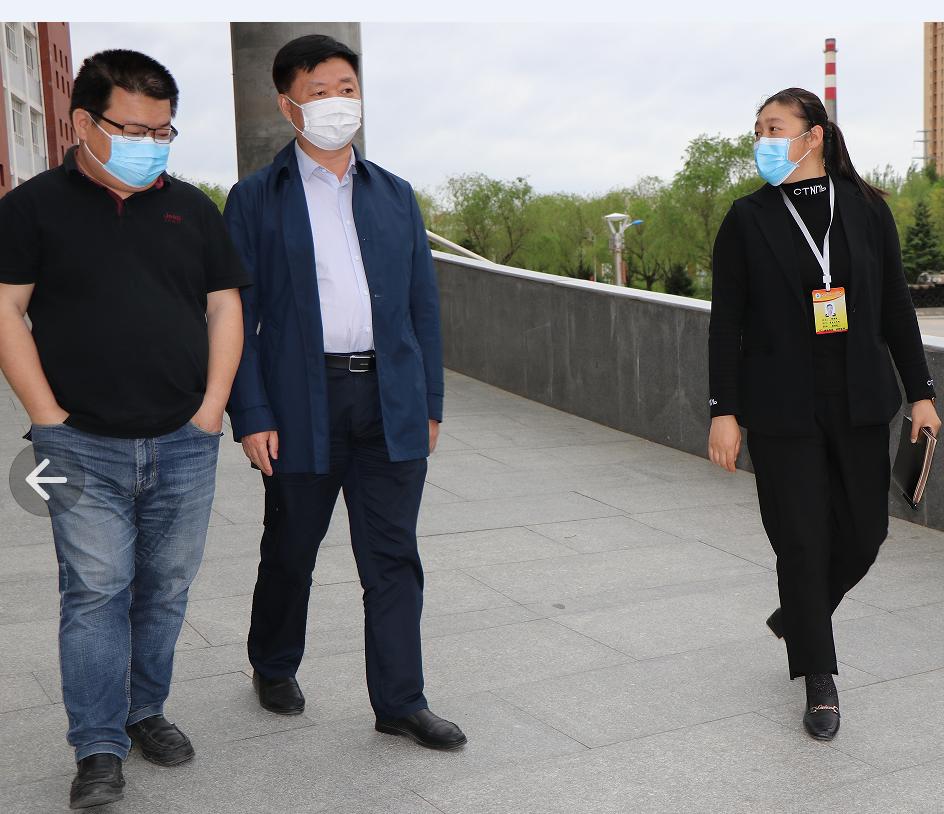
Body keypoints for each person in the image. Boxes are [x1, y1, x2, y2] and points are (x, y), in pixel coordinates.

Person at [0, 50, 249, 808]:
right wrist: (47, 419)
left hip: (184, 441)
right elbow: (6, 307)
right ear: (83, 122)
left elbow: (225, 306)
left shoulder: (192, 208)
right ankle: (98, 745)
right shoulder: (33, 207)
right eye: (134, 129)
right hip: (78, 443)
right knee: (95, 591)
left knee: (165, 589)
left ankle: (144, 710)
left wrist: (211, 411)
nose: (152, 143)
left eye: (163, 129)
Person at [224, 34, 466, 751]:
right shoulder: (255, 199)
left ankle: (401, 701)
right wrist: (251, 413)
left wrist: (429, 403)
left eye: (347, 89)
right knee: (291, 546)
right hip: (301, 401)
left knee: (392, 557)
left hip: (388, 398)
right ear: (288, 105)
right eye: (320, 91)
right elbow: (234, 315)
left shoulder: (394, 194)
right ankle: (273, 663)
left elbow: (423, 308)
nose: (338, 103)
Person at [707, 87, 941, 742]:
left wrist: (922, 392)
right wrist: (723, 410)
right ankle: (819, 675)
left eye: (775, 127)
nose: (763, 139)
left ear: (813, 136)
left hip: (859, 399)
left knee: (865, 535)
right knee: (802, 539)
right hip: (781, 408)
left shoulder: (866, 210)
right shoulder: (746, 219)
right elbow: (726, 325)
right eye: (758, 128)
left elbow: (896, 307)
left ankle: (798, 617)